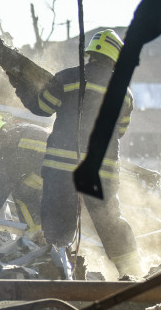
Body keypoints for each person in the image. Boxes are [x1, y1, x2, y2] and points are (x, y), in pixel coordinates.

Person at [31, 28, 143, 279]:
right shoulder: (124, 93)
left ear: (90, 54)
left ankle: (61, 274)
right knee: (110, 222)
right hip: (100, 173)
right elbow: (120, 131)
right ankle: (133, 274)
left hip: (61, 169)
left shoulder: (67, 78)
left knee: (58, 224)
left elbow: (43, 107)